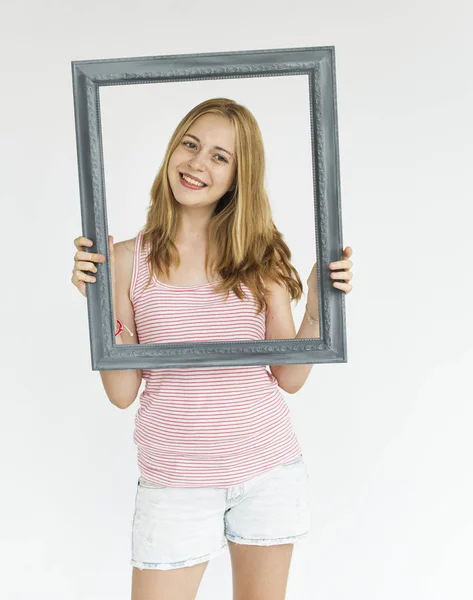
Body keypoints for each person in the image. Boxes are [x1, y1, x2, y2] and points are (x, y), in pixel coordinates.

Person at [71, 98, 354, 600]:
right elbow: (121, 392)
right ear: (172, 150)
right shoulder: (124, 260)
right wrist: (98, 303)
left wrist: (318, 304)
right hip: (174, 481)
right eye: (191, 144)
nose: (198, 163)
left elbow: (289, 376)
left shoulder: (259, 259)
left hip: (266, 470)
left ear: (237, 178)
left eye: (220, 157)